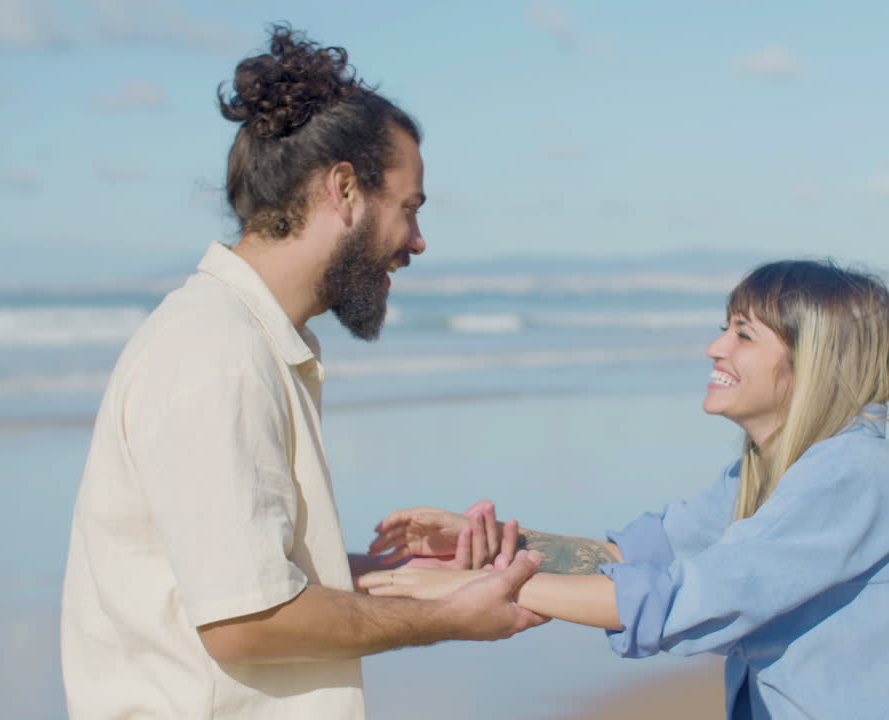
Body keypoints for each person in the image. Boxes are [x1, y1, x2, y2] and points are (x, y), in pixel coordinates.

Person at [60, 25, 543, 720]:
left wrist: (411, 576)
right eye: (408, 209)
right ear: (343, 189)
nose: (417, 242)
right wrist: (448, 620)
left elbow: (251, 577)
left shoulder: (250, 339)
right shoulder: (219, 354)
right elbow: (246, 621)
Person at [362, 260, 889, 719]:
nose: (715, 347)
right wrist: (499, 545)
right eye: (724, 327)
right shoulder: (772, 471)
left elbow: (683, 602)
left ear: (815, 363)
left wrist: (482, 590)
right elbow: (641, 558)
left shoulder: (848, 477)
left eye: (744, 334)